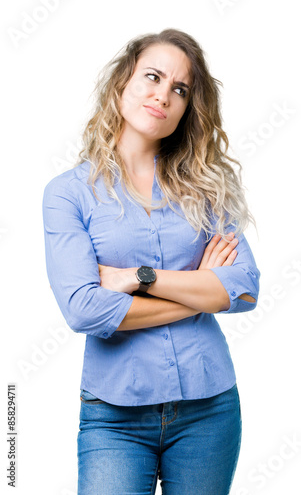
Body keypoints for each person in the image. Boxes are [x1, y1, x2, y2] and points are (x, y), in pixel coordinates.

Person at [42, 28, 260, 495]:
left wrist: (138, 279)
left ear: (186, 108)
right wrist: (201, 290)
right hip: (113, 416)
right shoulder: (68, 193)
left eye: (179, 89)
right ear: (123, 82)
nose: (163, 95)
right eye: (153, 77)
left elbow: (243, 288)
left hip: (210, 409)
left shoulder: (206, 187)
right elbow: (84, 309)